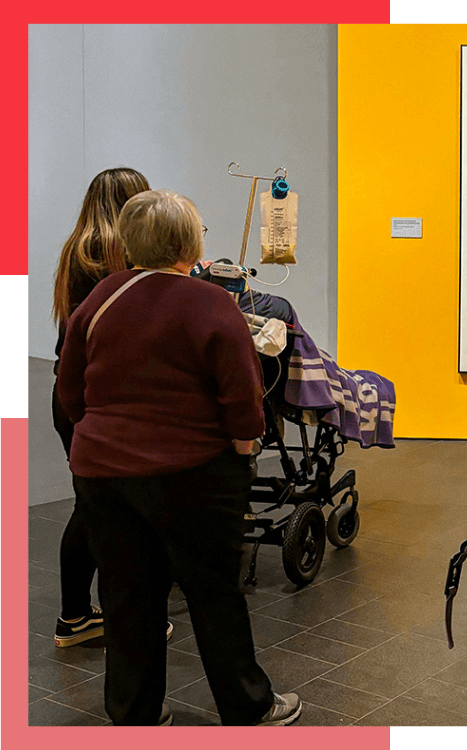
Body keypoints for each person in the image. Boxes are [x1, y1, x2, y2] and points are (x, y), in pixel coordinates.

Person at [56, 189, 301, 725]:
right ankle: (247, 705)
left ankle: (134, 712)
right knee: (214, 592)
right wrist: (244, 446)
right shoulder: (212, 303)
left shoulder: (100, 298)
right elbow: (243, 395)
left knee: (126, 596)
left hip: (104, 473)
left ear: (130, 240)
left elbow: (69, 392)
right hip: (192, 473)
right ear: (190, 243)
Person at [50, 167, 159, 647]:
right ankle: (87, 617)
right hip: (101, 400)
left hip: (73, 393)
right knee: (100, 512)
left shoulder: (79, 249)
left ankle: (79, 615)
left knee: (93, 505)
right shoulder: (117, 260)